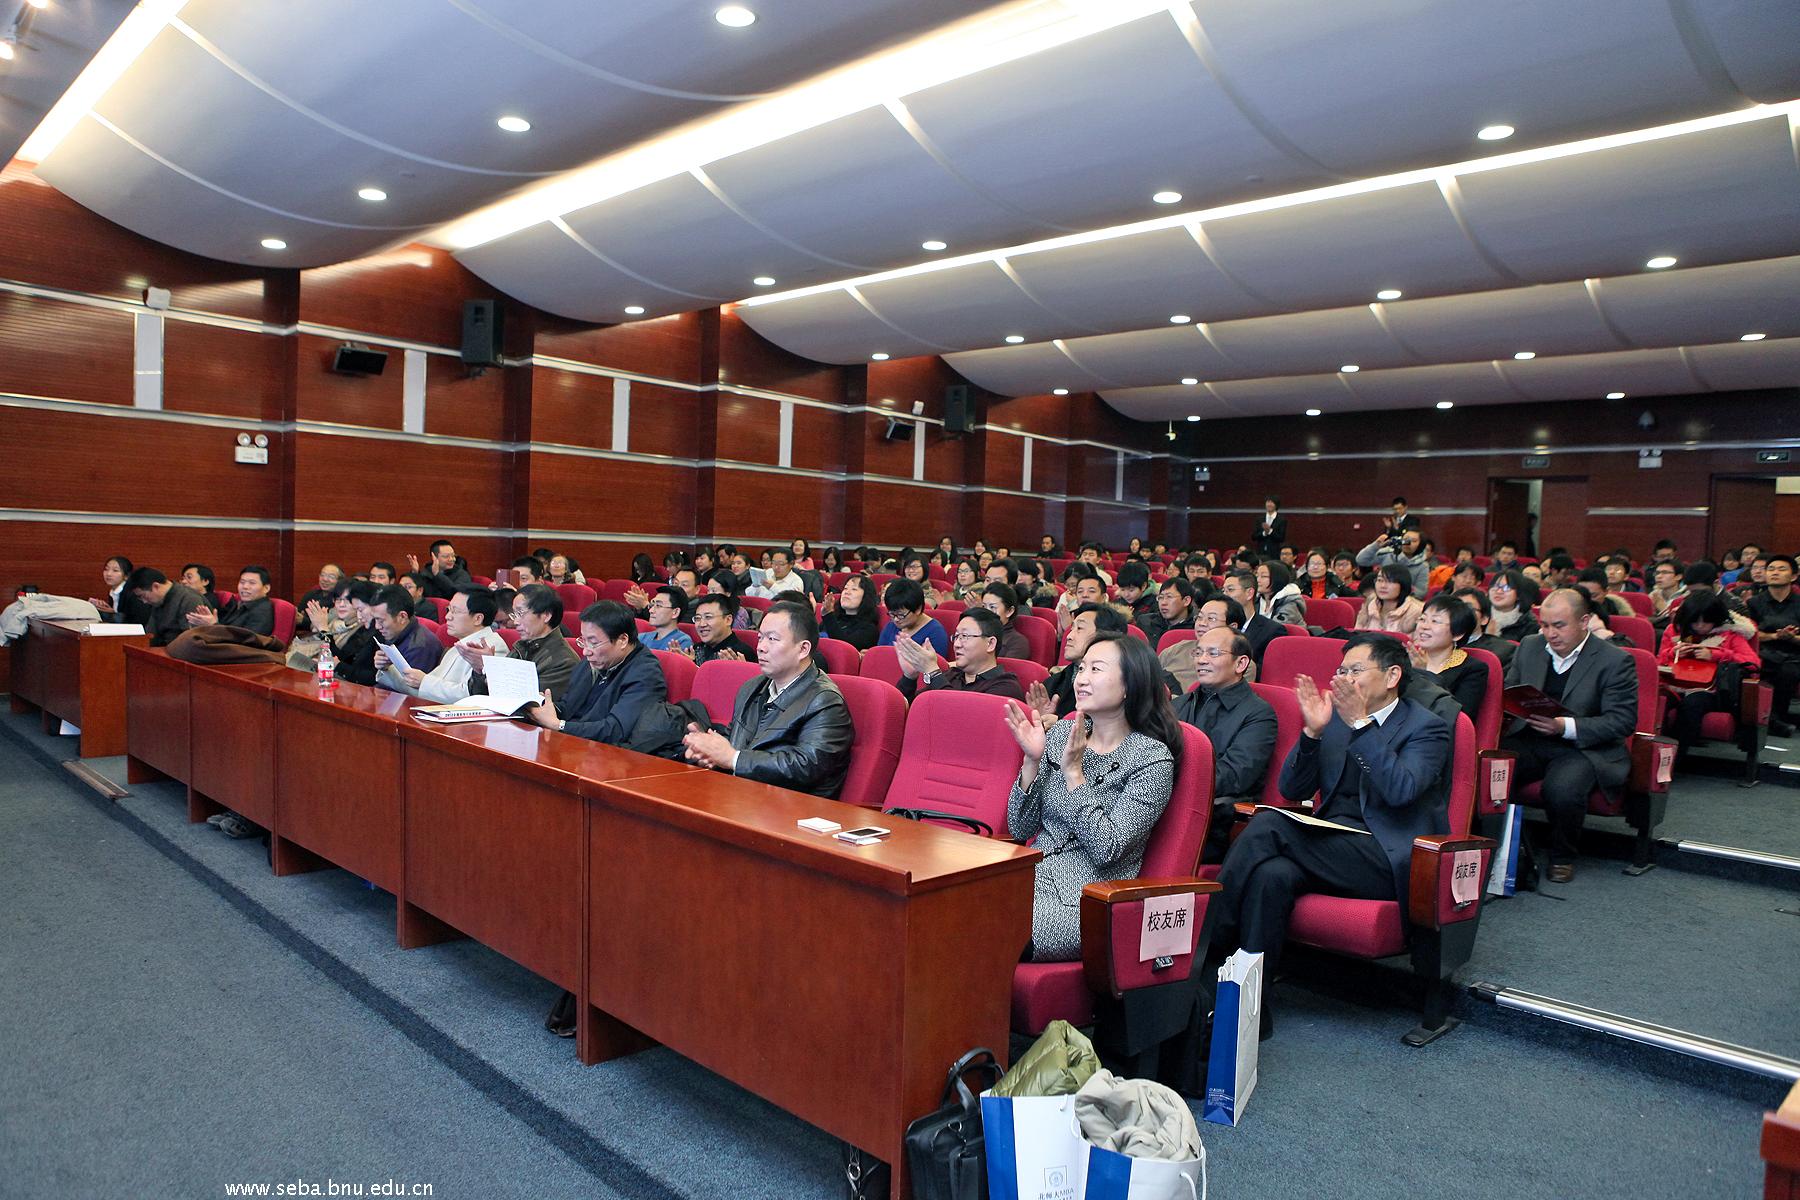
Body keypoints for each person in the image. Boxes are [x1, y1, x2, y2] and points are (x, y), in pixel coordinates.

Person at [1201, 633, 1449, 1033]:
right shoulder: (1334, 721)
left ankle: (1209, 943)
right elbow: (1291, 789)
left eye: (1355, 670)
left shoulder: (1427, 727)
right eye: (1341, 670)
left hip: (1385, 858)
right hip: (1329, 844)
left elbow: (1400, 790)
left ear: (1392, 676)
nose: (1344, 679)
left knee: (1270, 824)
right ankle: (1251, 1013)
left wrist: (1362, 726)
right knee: (1271, 875)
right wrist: (1312, 734)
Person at [1003, 631, 1181, 961]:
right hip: (1030, 876)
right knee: (940, 908)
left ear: (1129, 685)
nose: (1081, 679)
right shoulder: (1062, 733)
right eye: (1082, 668)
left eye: (1096, 669)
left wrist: (1074, 775)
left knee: (986, 927)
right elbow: (1020, 828)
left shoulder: (1151, 759)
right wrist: (1031, 761)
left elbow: (1107, 849)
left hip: (1086, 898)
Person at [1500, 589, 1638, 883]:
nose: (1550, 634)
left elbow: (1621, 721)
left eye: (1559, 626)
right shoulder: (1530, 646)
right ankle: (1495, 846)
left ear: (1584, 621)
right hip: (1530, 737)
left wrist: (1565, 727)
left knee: (1562, 790)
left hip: (1584, 748)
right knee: (1489, 768)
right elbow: (1510, 690)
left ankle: (1562, 856)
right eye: (1545, 625)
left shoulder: (1615, 660)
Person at [681, 601, 855, 798]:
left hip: (792, 807)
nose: (761, 647)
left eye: (772, 639)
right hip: (742, 796)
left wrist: (733, 758)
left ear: (803, 649)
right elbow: (735, 741)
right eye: (760, 637)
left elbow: (806, 766)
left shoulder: (825, 701)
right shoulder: (751, 687)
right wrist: (709, 750)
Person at [1175, 627, 1278, 863]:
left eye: (1213, 653)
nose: (1201, 660)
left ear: (1241, 663)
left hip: (1215, 817)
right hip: (1171, 802)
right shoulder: (1178, 705)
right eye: (1198, 652)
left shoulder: (1259, 714)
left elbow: (1233, 776)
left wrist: (1167, 781)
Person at [527, 600, 667, 741]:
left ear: (623, 640)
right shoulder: (594, 660)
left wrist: (559, 725)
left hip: (605, 750)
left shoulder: (646, 674)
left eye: (593, 643)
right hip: (573, 741)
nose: (586, 651)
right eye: (584, 641)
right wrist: (543, 706)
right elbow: (570, 706)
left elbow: (616, 730)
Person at [1659, 595, 1762, 754]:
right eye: (1695, 621)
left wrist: (1716, 655)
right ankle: (1654, 751)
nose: (1700, 626)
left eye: (1706, 622)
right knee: (1660, 699)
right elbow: (1658, 660)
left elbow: (1753, 662)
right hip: (1674, 684)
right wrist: (1672, 652)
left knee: (1692, 703)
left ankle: (1677, 756)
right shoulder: (1675, 630)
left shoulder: (1730, 634)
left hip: (1711, 689)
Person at [381, 587, 507, 702]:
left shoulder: (493, 648)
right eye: (448, 609)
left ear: (478, 619)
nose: (447, 616)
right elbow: (421, 691)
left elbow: (471, 697)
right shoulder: (456, 648)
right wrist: (388, 668)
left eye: (455, 611)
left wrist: (424, 681)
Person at [466, 583, 580, 703]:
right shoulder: (521, 647)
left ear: (546, 616)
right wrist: (482, 669)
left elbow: (530, 704)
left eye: (520, 613)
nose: (515, 621)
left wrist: (492, 671)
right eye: (514, 614)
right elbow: (480, 697)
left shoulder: (563, 661)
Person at [1024, 603, 1131, 721]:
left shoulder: (1121, 682)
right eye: (1071, 629)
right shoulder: (1055, 682)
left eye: (1079, 628)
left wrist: (1061, 724)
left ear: (1107, 636)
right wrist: (1041, 719)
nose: (1069, 636)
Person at [896, 607, 1026, 703]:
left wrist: (933, 672)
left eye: (964, 636)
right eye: (956, 636)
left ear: (990, 643)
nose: (957, 644)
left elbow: (959, 717)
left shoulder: (1005, 688)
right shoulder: (951, 675)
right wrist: (909, 677)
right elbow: (912, 708)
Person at [1407, 595, 1491, 719]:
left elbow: (1458, 718)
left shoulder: (1473, 670)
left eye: (1435, 621)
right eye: (1422, 619)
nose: (1424, 626)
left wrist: (1424, 676)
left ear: (1458, 634)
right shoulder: (1405, 657)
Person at [1748, 555, 1800, 737]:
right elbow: (1750, 633)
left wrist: (1792, 638)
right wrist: (1774, 636)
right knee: (1751, 669)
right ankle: (1773, 721)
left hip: (1794, 655)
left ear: (1794, 576)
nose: (1775, 573)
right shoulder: (1754, 603)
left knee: (1789, 671)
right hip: (1763, 653)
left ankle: (1776, 720)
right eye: (1771, 569)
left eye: (1781, 569)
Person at [369, 584, 445, 687]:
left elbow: (409, 690)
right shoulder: (394, 634)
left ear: (402, 617)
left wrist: (388, 669)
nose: (377, 626)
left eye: (381, 620)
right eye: (375, 619)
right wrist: (383, 666)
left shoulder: (421, 646)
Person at [184, 565, 278, 637]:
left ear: (266, 588)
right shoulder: (238, 603)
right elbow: (223, 625)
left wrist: (214, 625)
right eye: (242, 582)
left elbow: (248, 641)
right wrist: (208, 622)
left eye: (252, 583)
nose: (245, 587)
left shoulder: (262, 610)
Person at [125, 567, 209, 646]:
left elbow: (193, 641)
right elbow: (151, 635)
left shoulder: (189, 599)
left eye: (143, 596)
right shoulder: (158, 600)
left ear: (156, 586)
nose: (144, 601)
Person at [1222, 569, 1287, 666]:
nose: (1224, 595)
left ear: (1249, 593)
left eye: (1230, 590)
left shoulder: (1272, 631)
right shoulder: (1219, 624)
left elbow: (1266, 670)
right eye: (1223, 590)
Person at [878, 578, 950, 656]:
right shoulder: (891, 626)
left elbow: (936, 663)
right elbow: (880, 655)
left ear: (918, 609)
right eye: (892, 614)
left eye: (901, 615)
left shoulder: (935, 633)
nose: (896, 619)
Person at [1356, 527, 1430, 596]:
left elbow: (1421, 592)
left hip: (1405, 599)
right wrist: (1375, 546)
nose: (1407, 543)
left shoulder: (1423, 566)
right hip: (1381, 595)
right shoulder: (1388, 554)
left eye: (1413, 541)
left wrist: (1400, 589)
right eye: (1405, 539)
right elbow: (1361, 560)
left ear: (1421, 544)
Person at [1453, 587, 1516, 669]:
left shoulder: (1504, 651)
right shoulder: (1439, 644)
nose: (1461, 613)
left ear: (1484, 619)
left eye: (1469, 608)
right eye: (1455, 608)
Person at [689, 593, 749, 666]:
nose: (702, 624)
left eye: (708, 617)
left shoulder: (740, 655)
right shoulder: (695, 650)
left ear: (728, 620)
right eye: (697, 618)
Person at [90, 555, 151, 626]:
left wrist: (114, 614)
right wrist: (109, 610)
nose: (108, 574)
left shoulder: (133, 593)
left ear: (126, 576)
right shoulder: (113, 592)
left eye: (115, 570)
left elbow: (136, 620)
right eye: (106, 569)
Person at [981, 582, 1032, 661]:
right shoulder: (975, 634)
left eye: (992, 607)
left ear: (1009, 611)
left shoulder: (1017, 642)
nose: (986, 612)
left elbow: (1005, 668)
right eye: (984, 606)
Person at [1143, 576, 1196, 651]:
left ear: (1186, 601)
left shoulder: (1196, 628)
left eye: (1169, 597)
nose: (1163, 603)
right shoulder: (1146, 622)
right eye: (1161, 597)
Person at [406, 540, 471, 600]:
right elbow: (417, 594)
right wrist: (415, 573)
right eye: (446, 556)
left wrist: (437, 575)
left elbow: (454, 593)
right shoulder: (426, 573)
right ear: (434, 557)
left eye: (453, 555)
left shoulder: (462, 574)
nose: (451, 559)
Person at [1487, 568, 1539, 642]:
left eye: (1506, 588)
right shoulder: (1479, 614)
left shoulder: (1529, 625)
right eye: (1495, 586)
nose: (1499, 591)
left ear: (1518, 594)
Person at [639, 587, 693, 652]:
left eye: (658, 605)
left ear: (675, 612)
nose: (651, 610)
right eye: (652, 605)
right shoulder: (641, 638)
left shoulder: (682, 641)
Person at [293, 564, 343, 635]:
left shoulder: (340, 600)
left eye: (331, 577)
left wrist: (304, 621)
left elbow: (328, 624)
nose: (325, 579)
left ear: (340, 580)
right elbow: (298, 616)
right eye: (322, 575)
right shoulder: (311, 594)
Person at [1256, 560, 1306, 626]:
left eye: (1264, 576)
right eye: (1257, 575)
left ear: (1277, 579)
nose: (1258, 580)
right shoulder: (1255, 599)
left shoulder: (1290, 602)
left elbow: (1276, 627)